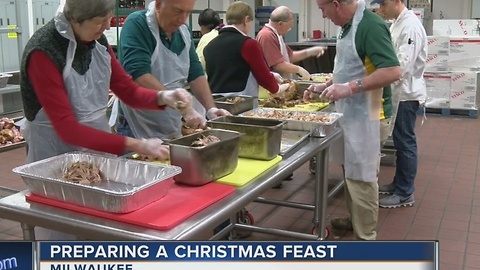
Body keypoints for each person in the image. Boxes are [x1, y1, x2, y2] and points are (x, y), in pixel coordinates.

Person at [19, 0, 202, 239]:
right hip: (54, 149)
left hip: (98, 141)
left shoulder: (97, 42)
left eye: (109, 18)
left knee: (96, 224)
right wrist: (138, 145)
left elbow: (127, 90)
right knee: (64, 230)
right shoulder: (44, 51)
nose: (107, 27)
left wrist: (165, 97)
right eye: (100, 21)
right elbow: (67, 129)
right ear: (74, 19)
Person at [305, 0, 401, 240]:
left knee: (363, 176)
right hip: (352, 111)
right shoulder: (347, 26)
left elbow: (392, 71)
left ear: (336, 4)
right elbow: (350, 67)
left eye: (322, 9)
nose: (323, 15)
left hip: (370, 112)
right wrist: (327, 85)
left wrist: (349, 88)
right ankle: (355, 218)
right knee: (352, 171)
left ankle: (365, 239)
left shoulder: (370, 25)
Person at [116, 0, 230, 140]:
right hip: (139, 123)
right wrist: (185, 108)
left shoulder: (183, 31)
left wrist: (210, 108)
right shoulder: (137, 25)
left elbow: (195, 71)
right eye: (178, 11)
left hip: (173, 118)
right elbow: (139, 75)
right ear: (158, 5)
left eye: (187, 12)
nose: (183, 19)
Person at [372, 0, 427, 208]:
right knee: (399, 141)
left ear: (397, 1)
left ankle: (405, 192)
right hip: (396, 92)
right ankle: (398, 184)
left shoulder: (410, 26)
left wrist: (375, 80)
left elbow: (402, 66)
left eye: (383, 4)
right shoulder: (397, 23)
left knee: (405, 143)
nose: (381, 10)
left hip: (405, 93)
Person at [203, 1, 290, 105]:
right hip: (241, 105)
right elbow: (263, 78)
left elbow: (232, 71)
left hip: (216, 105)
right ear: (246, 20)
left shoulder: (209, 46)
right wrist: (278, 89)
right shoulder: (248, 44)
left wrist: (271, 74)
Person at [256, 6, 325, 80]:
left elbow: (290, 56)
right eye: (290, 23)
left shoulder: (277, 35)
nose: (291, 27)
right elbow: (278, 65)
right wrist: (299, 70)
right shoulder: (267, 35)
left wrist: (309, 52)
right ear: (280, 24)